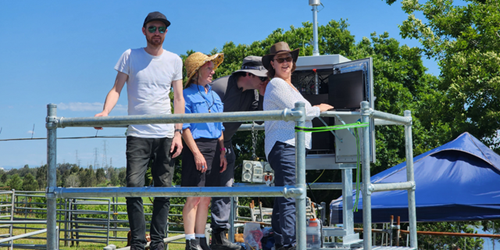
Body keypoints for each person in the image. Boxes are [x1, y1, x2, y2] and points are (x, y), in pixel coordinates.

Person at [94, 11, 184, 250]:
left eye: (161, 29)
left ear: (166, 33)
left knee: (164, 190)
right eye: (152, 28)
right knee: (133, 187)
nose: (157, 33)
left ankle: (157, 242)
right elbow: (116, 89)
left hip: (165, 134)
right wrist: (105, 112)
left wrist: (178, 132)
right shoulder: (130, 55)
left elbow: (178, 98)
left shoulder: (175, 60)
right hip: (138, 134)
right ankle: (137, 242)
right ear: (144, 31)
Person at [261, 41, 333, 250]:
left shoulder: (288, 86)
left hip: (290, 147)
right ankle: (288, 244)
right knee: (290, 196)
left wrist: (313, 109)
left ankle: (281, 242)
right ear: (272, 63)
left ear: (293, 63)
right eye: (280, 59)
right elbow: (301, 111)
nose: (285, 62)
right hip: (284, 146)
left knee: (286, 195)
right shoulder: (276, 84)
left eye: (288, 59)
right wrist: (319, 108)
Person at [209, 56, 269, 250]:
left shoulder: (254, 93)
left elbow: (260, 119)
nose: (264, 80)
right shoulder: (220, 87)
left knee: (225, 189)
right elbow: (204, 119)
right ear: (248, 74)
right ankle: (195, 239)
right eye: (261, 77)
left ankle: (219, 237)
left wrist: (263, 91)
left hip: (226, 144)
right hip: (206, 144)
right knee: (199, 193)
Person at [181, 52, 227, 250]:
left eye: (212, 67)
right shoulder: (185, 95)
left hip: (215, 148)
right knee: (194, 195)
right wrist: (196, 153)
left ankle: (201, 239)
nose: (213, 71)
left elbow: (220, 127)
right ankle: (190, 241)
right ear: (197, 71)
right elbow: (184, 127)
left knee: (206, 197)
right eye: (208, 67)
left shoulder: (215, 95)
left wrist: (223, 151)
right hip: (196, 147)